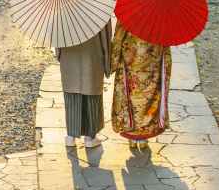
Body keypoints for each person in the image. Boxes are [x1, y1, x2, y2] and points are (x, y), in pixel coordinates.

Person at [110, 23, 171, 150]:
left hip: (130, 59)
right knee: (149, 96)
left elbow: (118, 38)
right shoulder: (159, 14)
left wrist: (112, 62)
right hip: (152, 61)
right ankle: (144, 137)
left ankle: (132, 135)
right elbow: (166, 40)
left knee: (130, 96)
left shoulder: (127, 14)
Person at [55, 19, 113, 148]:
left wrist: (59, 52)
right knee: (91, 91)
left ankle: (70, 136)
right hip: (93, 52)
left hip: (69, 52)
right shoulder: (99, 6)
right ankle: (90, 137)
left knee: (71, 92)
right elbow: (106, 35)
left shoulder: (63, 4)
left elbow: (55, 31)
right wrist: (107, 60)